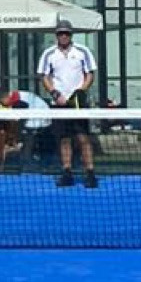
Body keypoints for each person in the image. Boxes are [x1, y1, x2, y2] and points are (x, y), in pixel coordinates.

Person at [37, 20, 97, 187]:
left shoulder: (83, 51)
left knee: (83, 138)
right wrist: (55, 93)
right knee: (64, 139)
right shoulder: (49, 54)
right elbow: (44, 76)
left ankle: (90, 173)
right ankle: (67, 172)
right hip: (59, 103)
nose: (64, 36)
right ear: (56, 35)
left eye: (66, 33)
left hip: (78, 104)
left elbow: (90, 74)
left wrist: (80, 92)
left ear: (71, 35)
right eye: (61, 33)